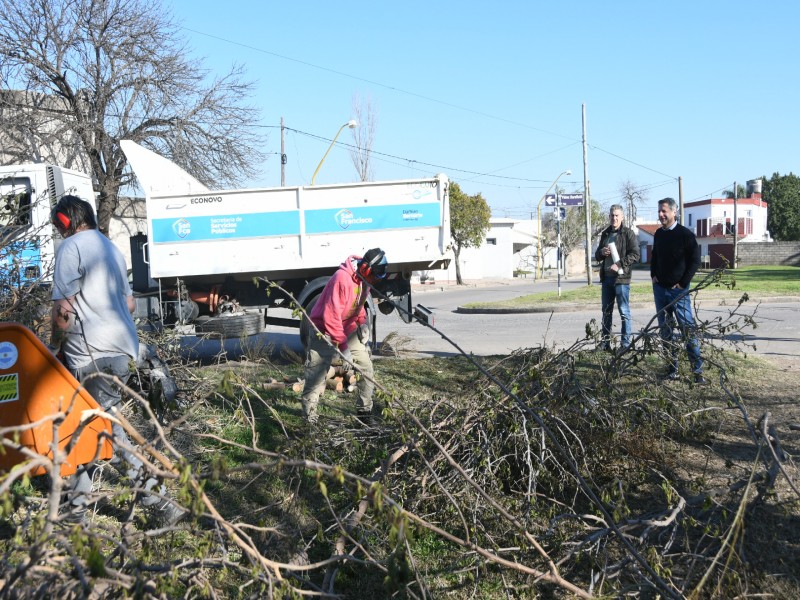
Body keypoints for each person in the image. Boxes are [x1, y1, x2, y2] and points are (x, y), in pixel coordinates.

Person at [50, 195, 183, 523]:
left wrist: (53, 347)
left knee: (108, 432)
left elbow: (63, 310)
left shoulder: (71, 248)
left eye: (58, 225)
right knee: (87, 424)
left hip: (91, 354)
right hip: (125, 350)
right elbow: (131, 305)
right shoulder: (110, 248)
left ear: (65, 221)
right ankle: (76, 509)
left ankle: (160, 503)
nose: (58, 231)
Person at [301, 248, 388, 425]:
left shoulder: (364, 281)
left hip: (347, 328)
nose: (374, 282)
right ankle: (309, 419)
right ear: (366, 270)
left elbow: (359, 303)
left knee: (366, 368)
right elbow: (330, 317)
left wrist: (362, 322)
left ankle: (364, 412)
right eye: (373, 277)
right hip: (323, 330)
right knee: (316, 376)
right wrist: (344, 349)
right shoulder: (342, 279)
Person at [650, 197, 706, 384]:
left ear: (674, 212)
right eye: (659, 211)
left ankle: (697, 372)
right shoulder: (658, 234)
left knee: (686, 330)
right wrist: (654, 276)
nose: (661, 214)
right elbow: (655, 256)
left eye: (664, 211)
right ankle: (671, 368)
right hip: (660, 290)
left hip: (678, 292)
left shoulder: (685, 235)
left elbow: (695, 260)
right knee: (665, 331)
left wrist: (683, 283)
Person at [595, 204, 640, 350]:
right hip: (607, 279)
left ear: (622, 217)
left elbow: (635, 255)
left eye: (617, 215)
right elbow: (597, 256)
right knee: (606, 311)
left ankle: (625, 344)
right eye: (612, 215)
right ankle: (605, 343)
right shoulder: (605, 234)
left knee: (624, 312)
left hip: (621, 279)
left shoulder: (628, 233)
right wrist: (601, 252)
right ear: (609, 216)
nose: (614, 218)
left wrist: (619, 264)